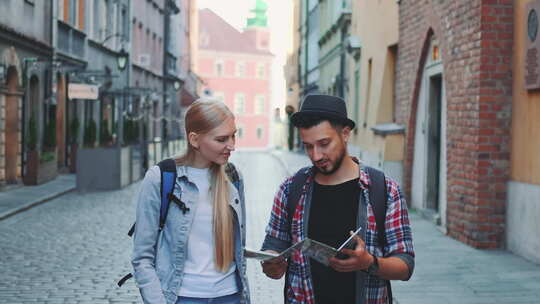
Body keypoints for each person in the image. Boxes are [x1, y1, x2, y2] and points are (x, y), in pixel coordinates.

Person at [260, 94, 415, 304]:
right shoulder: (291, 189)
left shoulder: (384, 190)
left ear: (345, 134)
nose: (316, 155)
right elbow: (273, 247)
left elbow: (405, 266)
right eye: (308, 146)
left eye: (324, 143)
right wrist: (271, 264)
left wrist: (368, 262)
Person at [132, 99, 250, 304]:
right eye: (222, 139)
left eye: (234, 135)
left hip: (230, 296)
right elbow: (142, 257)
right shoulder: (162, 178)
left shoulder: (233, 177)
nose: (232, 145)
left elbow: (239, 246)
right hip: (183, 297)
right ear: (194, 139)